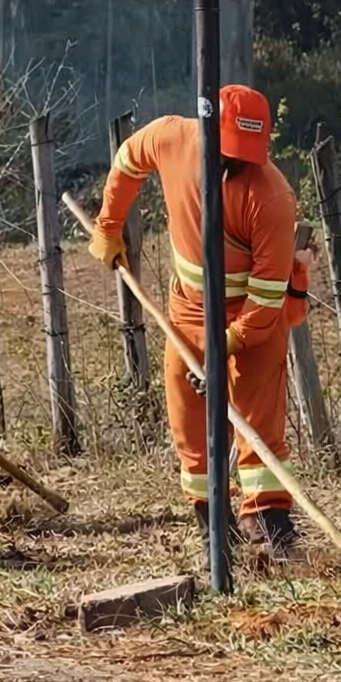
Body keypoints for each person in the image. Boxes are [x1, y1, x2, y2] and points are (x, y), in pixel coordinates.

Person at [90, 84, 312, 559]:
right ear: (208, 133)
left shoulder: (271, 197)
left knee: (257, 423)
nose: (236, 165)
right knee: (189, 422)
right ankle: (211, 520)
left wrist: (225, 345)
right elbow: (128, 160)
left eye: (247, 155)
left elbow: (266, 301)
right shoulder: (172, 138)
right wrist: (109, 227)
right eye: (229, 153)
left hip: (249, 323)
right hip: (187, 313)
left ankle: (268, 521)